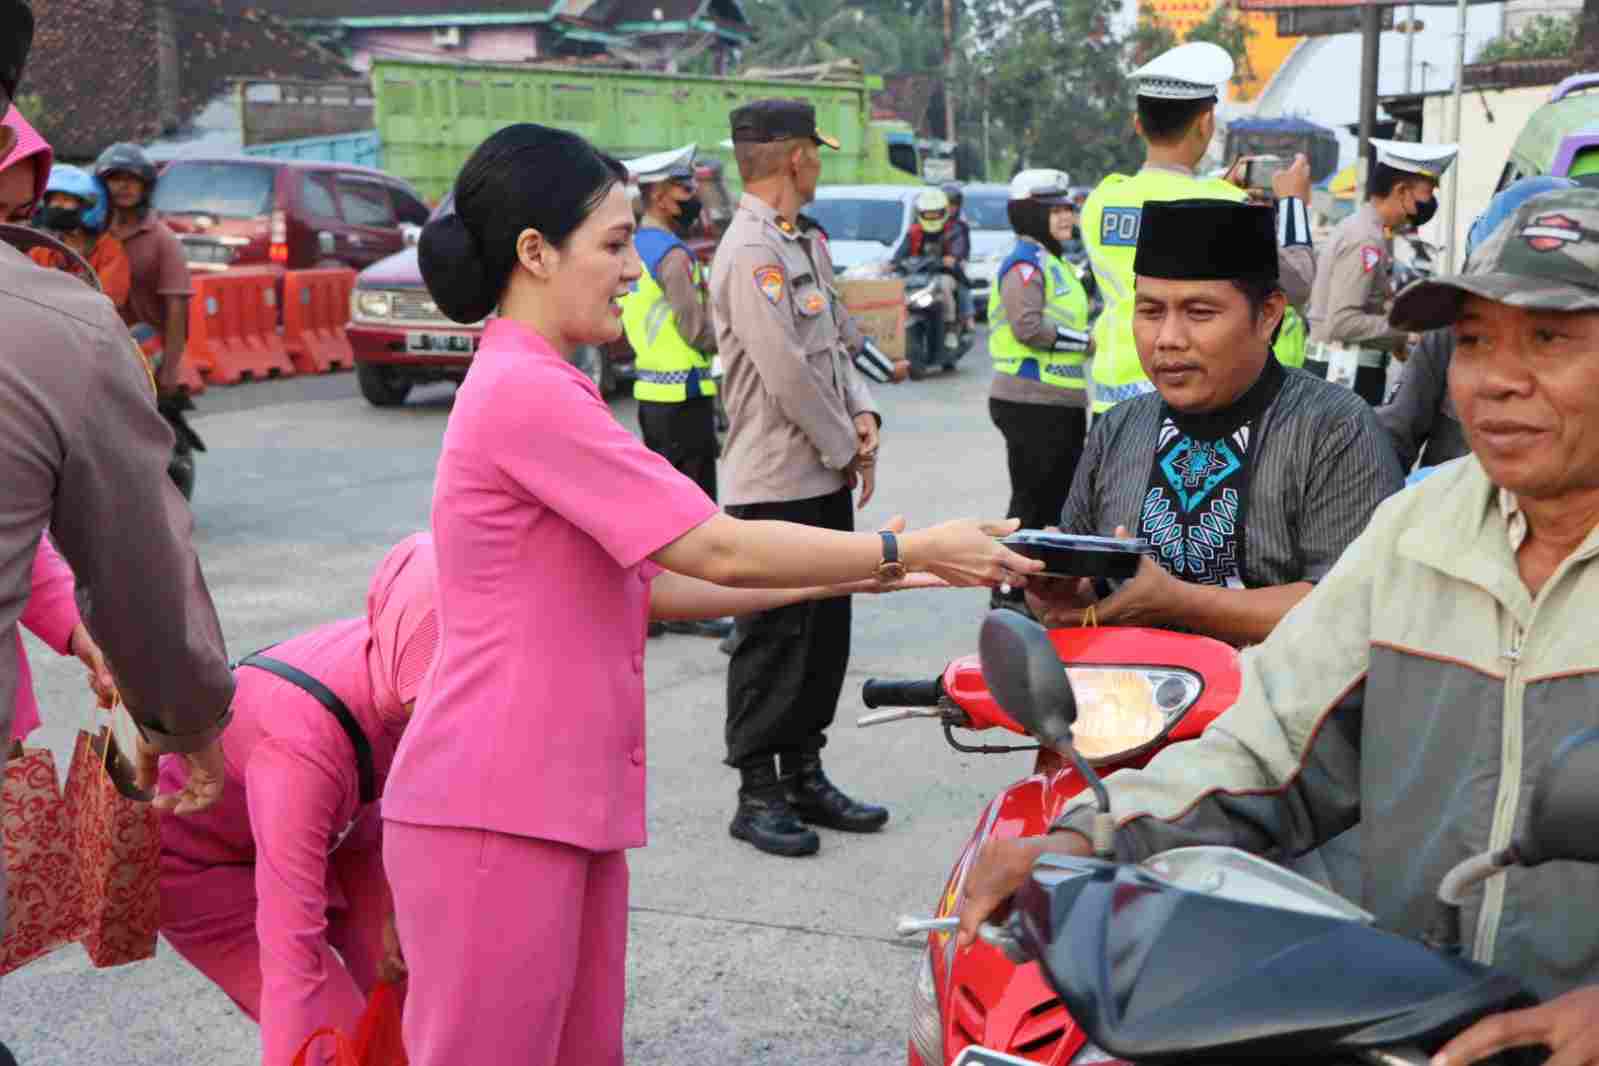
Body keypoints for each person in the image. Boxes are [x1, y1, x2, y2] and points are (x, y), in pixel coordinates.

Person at [379, 122, 1042, 1066]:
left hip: (553, 801)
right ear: (534, 253)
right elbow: (720, 550)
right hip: (495, 806)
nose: (633, 271)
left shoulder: (542, 384)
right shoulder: (527, 393)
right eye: (613, 246)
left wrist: (902, 568)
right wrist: (902, 542)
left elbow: (656, 588)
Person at [960, 185, 1599, 1066]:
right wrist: (1086, 835)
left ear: (1266, 316)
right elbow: (1269, 741)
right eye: (1476, 340)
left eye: (1548, 339)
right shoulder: (1420, 529)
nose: (1495, 378)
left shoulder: (1329, 430)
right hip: (1409, 1017)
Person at [0, 0, 233, 844]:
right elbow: (141, 573)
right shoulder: (51, 308)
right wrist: (183, 721)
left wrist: (73, 628)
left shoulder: (138, 245)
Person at [1028, 198, 1402, 648]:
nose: (1167, 339)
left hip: (1274, 712)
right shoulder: (1119, 428)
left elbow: (1352, 605)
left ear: (1267, 316)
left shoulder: (1336, 429)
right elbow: (1091, 591)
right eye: (1149, 311)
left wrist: (1180, 601)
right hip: (1123, 707)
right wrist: (1065, 588)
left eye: (1199, 313)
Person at [160, 533, 438, 1066]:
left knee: (416, 998)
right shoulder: (300, 752)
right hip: (201, 870)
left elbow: (393, 782)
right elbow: (292, 956)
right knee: (334, 1041)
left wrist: (401, 899)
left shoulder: (399, 647)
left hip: (344, 824)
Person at [710, 99, 905, 856]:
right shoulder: (749, 251)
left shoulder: (802, 244)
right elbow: (784, 373)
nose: (820, 165)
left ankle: (804, 773)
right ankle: (756, 791)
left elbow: (836, 341)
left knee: (824, 634)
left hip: (818, 471)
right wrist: (842, 447)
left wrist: (865, 415)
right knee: (772, 639)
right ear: (794, 158)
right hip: (773, 481)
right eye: (815, 154)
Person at [1081, 42, 1316, 413]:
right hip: (1185, 401)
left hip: (1111, 406)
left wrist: (1219, 191)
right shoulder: (1226, 205)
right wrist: (1293, 206)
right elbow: (1298, 284)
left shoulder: (1099, 201)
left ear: (1138, 124)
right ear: (1206, 122)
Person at [1378, 175, 1575, 472]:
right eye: (1476, 341)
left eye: (1546, 337)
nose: (1502, 384)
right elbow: (1392, 438)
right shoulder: (1447, 335)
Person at [619, 145, 732, 642]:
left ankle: (656, 604)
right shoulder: (672, 255)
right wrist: (734, 336)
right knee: (694, 508)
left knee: (658, 506)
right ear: (662, 196)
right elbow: (693, 328)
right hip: (686, 392)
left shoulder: (632, 249)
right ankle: (693, 607)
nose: (693, 198)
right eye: (685, 189)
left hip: (651, 392)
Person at [987, 169, 1091, 613]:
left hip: (1057, 401)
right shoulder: (1025, 263)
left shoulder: (1056, 262)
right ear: (1032, 214)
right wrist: (1088, 344)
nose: (1067, 216)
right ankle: (1007, 589)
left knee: (1053, 502)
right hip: (1028, 399)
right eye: (1056, 209)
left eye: (1068, 207)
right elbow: (1027, 326)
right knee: (1030, 501)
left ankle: (1037, 586)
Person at [1305, 137, 1458, 405]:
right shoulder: (1364, 239)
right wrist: (1406, 332)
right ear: (1401, 191)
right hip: (1344, 376)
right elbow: (1342, 322)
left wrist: (1397, 344)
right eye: (1427, 193)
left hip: (1349, 373)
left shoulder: (1371, 232)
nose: (1429, 203)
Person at [96, 141, 192, 398]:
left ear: (146, 187)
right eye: (115, 178)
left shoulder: (163, 239)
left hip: (146, 349)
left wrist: (171, 368)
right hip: (97, 347)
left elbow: (177, 307)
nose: (124, 186)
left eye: (132, 179)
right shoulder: (91, 235)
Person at [28, 163, 132, 310]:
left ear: (88, 206)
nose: (57, 206)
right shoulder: (41, 250)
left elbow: (111, 301)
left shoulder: (109, 250)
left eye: (65, 200)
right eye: (53, 200)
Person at [898, 185, 970, 356]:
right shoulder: (914, 231)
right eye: (927, 213)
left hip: (944, 275)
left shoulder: (955, 228)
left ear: (943, 211)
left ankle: (951, 328)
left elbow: (958, 251)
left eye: (935, 213)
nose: (931, 216)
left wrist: (951, 259)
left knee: (944, 286)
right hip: (917, 278)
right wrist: (891, 264)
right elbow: (900, 254)